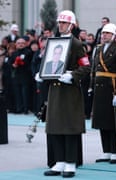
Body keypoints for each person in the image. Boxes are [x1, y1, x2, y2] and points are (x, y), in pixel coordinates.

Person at [40, 10, 91, 178]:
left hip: (69, 91)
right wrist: (41, 74)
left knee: (69, 127)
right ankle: (59, 161)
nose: (60, 25)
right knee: (55, 126)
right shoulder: (53, 42)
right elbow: (48, 63)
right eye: (59, 22)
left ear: (71, 25)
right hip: (55, 90)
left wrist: (73, 76)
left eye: (63, 22)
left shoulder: (76, 44)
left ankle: (70, 163)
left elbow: (85, 66)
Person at [91, 23, 116, 164]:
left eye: (107, 33)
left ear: (113, 35)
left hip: (112, 88)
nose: (104, 35)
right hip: (100, 89)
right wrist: (91, 86)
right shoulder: (99, 49)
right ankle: (106, 150)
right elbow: (94, 69)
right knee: (101, 121)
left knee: (113, 122)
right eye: (103, 33)